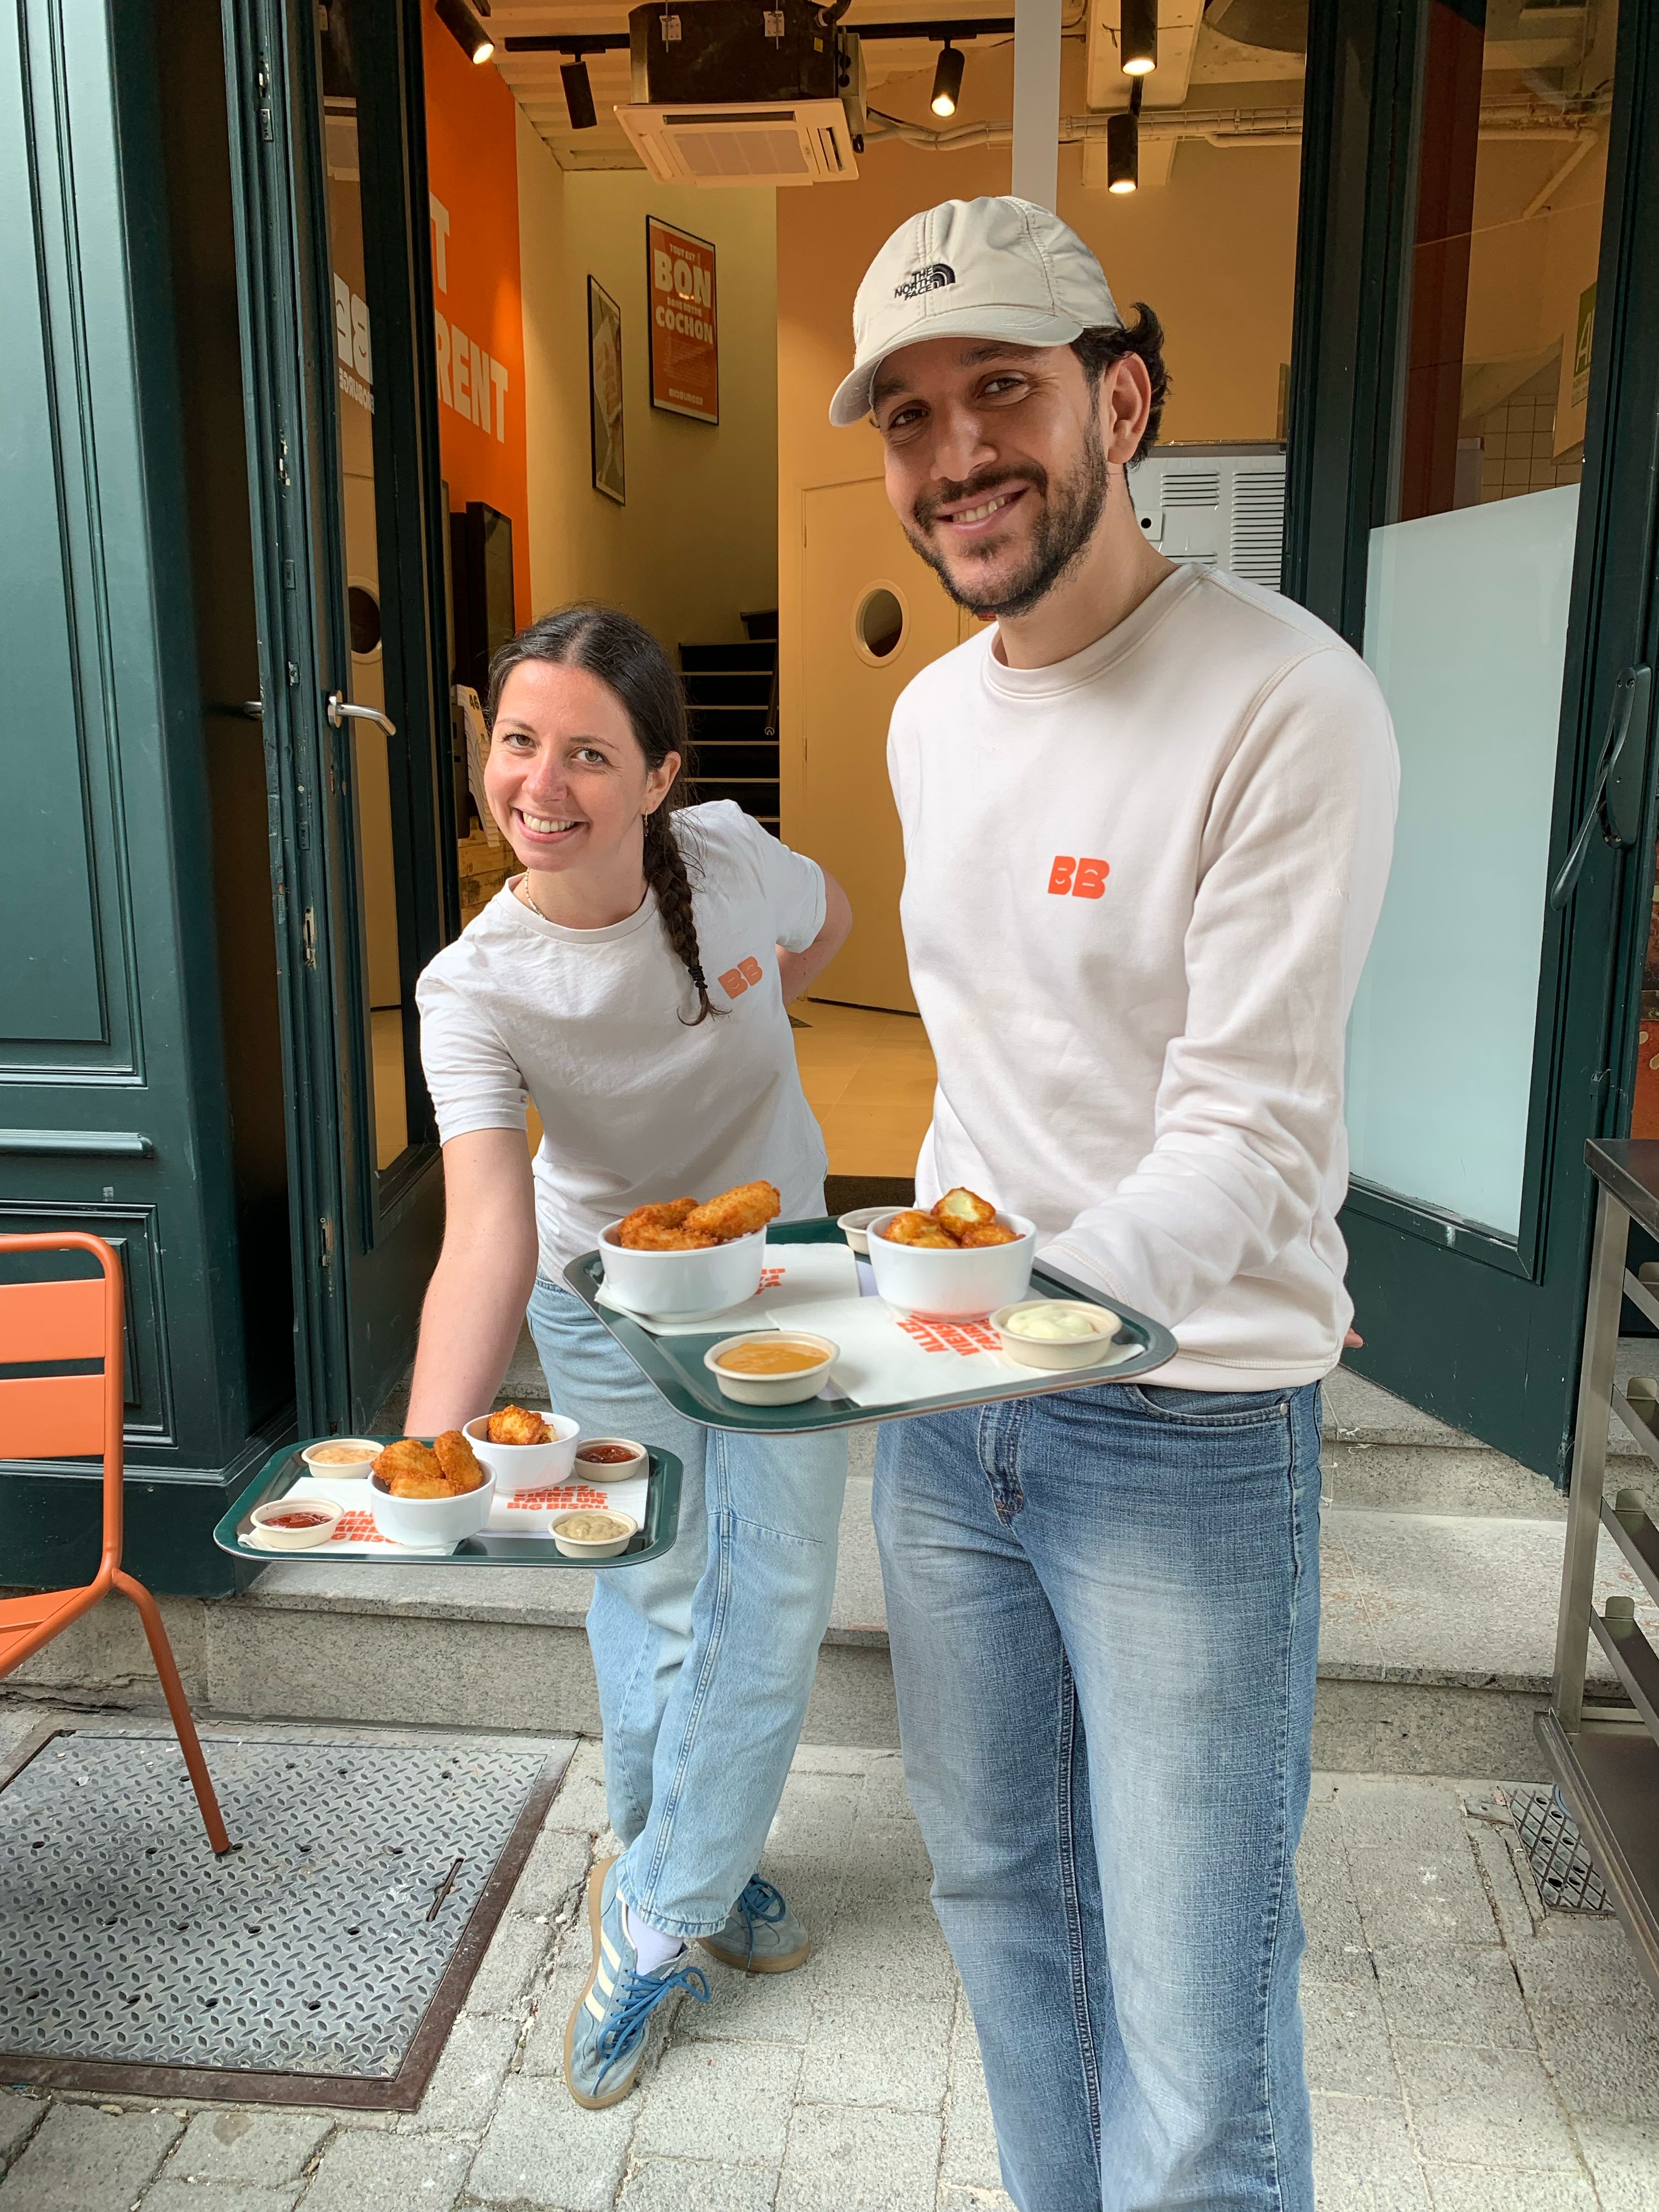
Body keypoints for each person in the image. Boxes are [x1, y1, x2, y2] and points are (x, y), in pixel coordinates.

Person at [830, 197, 1398, 2212]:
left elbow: (1245, 1133)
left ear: (1121, 400)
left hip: (1184, 1437)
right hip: (952, 1422)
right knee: (1002, 1902)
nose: (958, 452)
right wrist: (889, 1312)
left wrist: (1017, 1312)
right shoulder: (927, 721)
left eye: (1005, 389)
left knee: (1198, 2000)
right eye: (909, 415)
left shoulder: (1284, 698)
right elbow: (992, 1091)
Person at [407, 604, 853, 2109]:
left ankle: (659, 1910)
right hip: (600, 1297)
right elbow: (486, 1234)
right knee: (655, 1583)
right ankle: (692, 1869)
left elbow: (831, 924)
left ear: (660, 774)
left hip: (784, 1277)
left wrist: (754, 1028)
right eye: (518, 742)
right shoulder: (474, 986)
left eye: (589, 752)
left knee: (776, 1592)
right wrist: (425, 1457)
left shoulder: (730, 858)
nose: (541, 782)